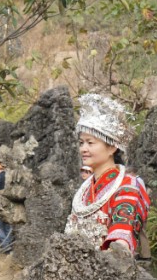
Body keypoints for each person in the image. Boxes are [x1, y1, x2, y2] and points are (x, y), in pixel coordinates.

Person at [64, 94, 150, 252]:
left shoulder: (127, 185)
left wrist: (117, 247)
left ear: (112, 148)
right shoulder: (85, 190)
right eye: (81, 143)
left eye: (90, 143)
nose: (83, 149)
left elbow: (122, 234)